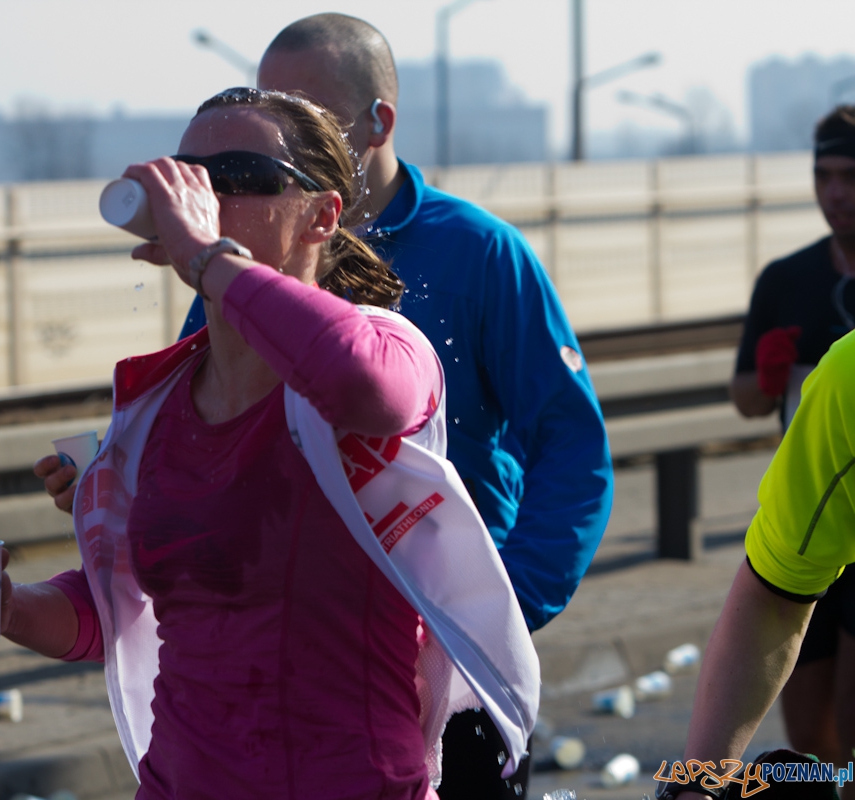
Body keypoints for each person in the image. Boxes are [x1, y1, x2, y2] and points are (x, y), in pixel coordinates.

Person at [0, 87, 539, 800]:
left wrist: (207, 256)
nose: (205, 198)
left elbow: (363, 388)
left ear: (321, 216)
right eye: (191, 176)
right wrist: (11, 610)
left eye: (240, 177)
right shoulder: (154, 408)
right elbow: (120, 610)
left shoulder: (385, 346)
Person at [151, 14, 612, 799]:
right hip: (293, 663)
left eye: (308, 112)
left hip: (447, 661)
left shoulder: (479, 251)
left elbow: (571, 445)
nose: (280, 131)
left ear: (378, 122)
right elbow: (203, 431)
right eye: (268, 107)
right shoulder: (236, 271)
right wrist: (112, 478)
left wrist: (497, 609)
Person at [662, 329, 854, 800]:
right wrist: (697, 786)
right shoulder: (848, 377)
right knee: (822, 739)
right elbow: (773, 603)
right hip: (825, 544)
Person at [730, 105, 855, 769]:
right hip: (806, 516)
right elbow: (745, 398)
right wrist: (771, 377)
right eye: (823, 176)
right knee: (809, 737)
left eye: (851, 176)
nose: (836, 193)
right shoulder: (786, 279)